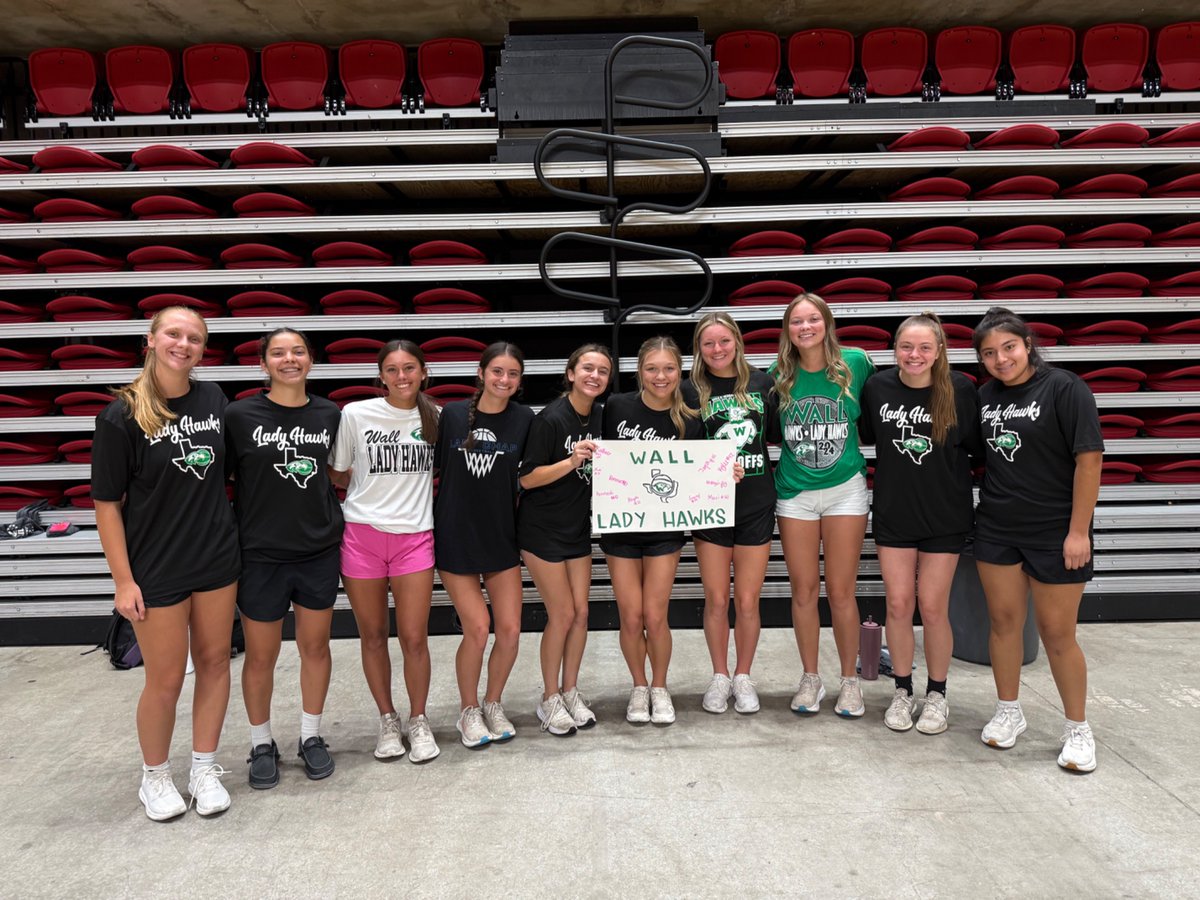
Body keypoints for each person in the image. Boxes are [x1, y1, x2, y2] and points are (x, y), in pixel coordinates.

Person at [92, 306, 241, 821]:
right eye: (174, 334)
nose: (184, 344)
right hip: (156, 566)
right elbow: (106, 504)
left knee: (216, 662)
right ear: (151, 340)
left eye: (195, 338)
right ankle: (155, 776)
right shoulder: (121, 414)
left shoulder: (212, 398)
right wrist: (123, 580)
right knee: (166, 677)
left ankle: (203, 768)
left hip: (216, 556)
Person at [972, 307, 1103, 772]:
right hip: (997, 527)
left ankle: (1078, 730)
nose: (1001, 359)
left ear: (1027, 343)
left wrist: (1077, 531)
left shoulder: (1065, 388)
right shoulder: (985, 396)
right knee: (1004, 623)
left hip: (1055, 530)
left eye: (1008, 347)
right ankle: (1009, 710)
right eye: (989, 353)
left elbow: (1089, 462)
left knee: (1057, 634)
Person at [225, 328, 344, 787]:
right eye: (278, 353)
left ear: (310, 359)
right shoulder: (238, 415)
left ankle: (311, 736)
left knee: (316, 648)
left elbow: (337, 472)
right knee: (261, 656)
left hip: (317, 550)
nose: (289, 359)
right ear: (263, 363)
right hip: (260, 554)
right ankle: (261, 743)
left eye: (297, 351)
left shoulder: (330, 413)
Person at [859, 312, 981, 735]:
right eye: (906, 347)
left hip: (945, 514)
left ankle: (937, 694)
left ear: (939, 351)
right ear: (895, 349)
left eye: (925, 347)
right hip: (896, 511)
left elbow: (975, 450)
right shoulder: (877, 388)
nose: (915, 355)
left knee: (932, 607)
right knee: (897, 604)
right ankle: (902, 690)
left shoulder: (961, 390)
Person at [329, 340, 442, 764]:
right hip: (362, 536)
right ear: (381, 376)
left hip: (415, 537)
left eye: (409, 368)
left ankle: (418, 718)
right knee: (373, 635)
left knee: (414, 637)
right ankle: (388, 719)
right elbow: (338, 473)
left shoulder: (437, 418)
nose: (401, 377)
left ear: (423, 372)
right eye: (392, 370)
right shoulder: (355, 415)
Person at [772, 293, 875, 718]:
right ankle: (811, 677)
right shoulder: (776, 375)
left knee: (842, 590)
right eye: (797, 321)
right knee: (803, 590)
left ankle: (850, 681)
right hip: (794, 492)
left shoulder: (857, 362)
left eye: (813, 319)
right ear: (788, 330)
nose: (806, 327)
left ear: (827, 323)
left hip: (844, 489)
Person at [435, 342, 534, 748]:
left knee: (510, 630)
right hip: (456, 535)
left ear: (519, 380)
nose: (504, 380)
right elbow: (429, 470)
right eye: (497, 372)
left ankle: (493, 703)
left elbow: (531, 475)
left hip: (500, 536)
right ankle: (468, 710)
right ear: (481, 373)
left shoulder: (525, 419)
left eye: (512, 374)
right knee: (477, 628)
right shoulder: (453, 415)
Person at [602, 336, 705, 726]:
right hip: (622, 526)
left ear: (679, 372)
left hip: (664, 529)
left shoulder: (691, 418)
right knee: (630, 617)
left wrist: (723, 473)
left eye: (668, 369)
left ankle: (660, 688)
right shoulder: (616, 407)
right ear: (638, 371)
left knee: (654, 615)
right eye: (651, 368)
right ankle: (639, 685)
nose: (660, 377)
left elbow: (698, 472)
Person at [682, 312, 776, 715]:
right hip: (710, 506)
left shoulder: (763, 384)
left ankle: (743, 675)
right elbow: (683, 453)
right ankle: (719, 676)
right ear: (698, 349)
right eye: (708, 343)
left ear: (737, 342)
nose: (717, 350)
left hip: (756, 501)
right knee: (717, 599)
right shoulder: (688, 391)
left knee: (749, 600)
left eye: (724, 341)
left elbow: (775, 437)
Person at [518, 344, 613, 736]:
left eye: (603, 371)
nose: (594, 375)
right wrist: (572, 461)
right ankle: (549, 697)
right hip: (541, 530)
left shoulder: (601, 417)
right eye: (587, 368)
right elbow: (527, 478)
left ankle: (571, 689)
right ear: (571, 373)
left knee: (581, 613)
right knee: (562, 614)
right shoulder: (550, 419)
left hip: (577, 528)